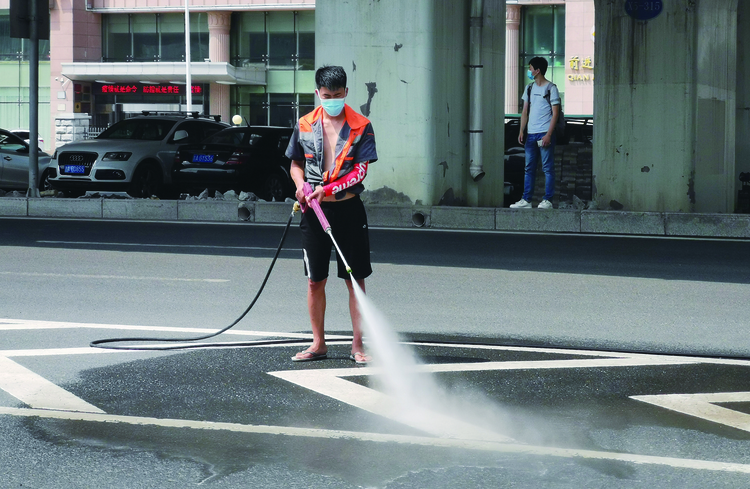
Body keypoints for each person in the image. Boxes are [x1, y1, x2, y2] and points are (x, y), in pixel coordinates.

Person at [285, 65, 377, 365]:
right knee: (315, 280)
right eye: (327, 95)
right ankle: (318, 343)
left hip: (348, 209)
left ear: (346, 93)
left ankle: (358, 345)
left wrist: (329, 189)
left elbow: (361, 170)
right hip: (313, 210)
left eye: (337, 95)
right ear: (317, 94)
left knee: (355, 279)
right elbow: (295, 164)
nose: (332, 100)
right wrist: (300, 187)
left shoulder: (362, 125)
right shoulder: (305, 124)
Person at [510, 56, 561, 210]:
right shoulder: (529, 88)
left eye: (531, 68)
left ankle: (548, 200)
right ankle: (526, 200)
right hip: (531, 135)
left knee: (547, 168)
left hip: (544, 133)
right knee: (529, 168)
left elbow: (555, 114)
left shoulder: (551, 88)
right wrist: (521, 130)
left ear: (537, 70)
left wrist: (548, 135)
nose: (529, 70)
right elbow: (525, 111)